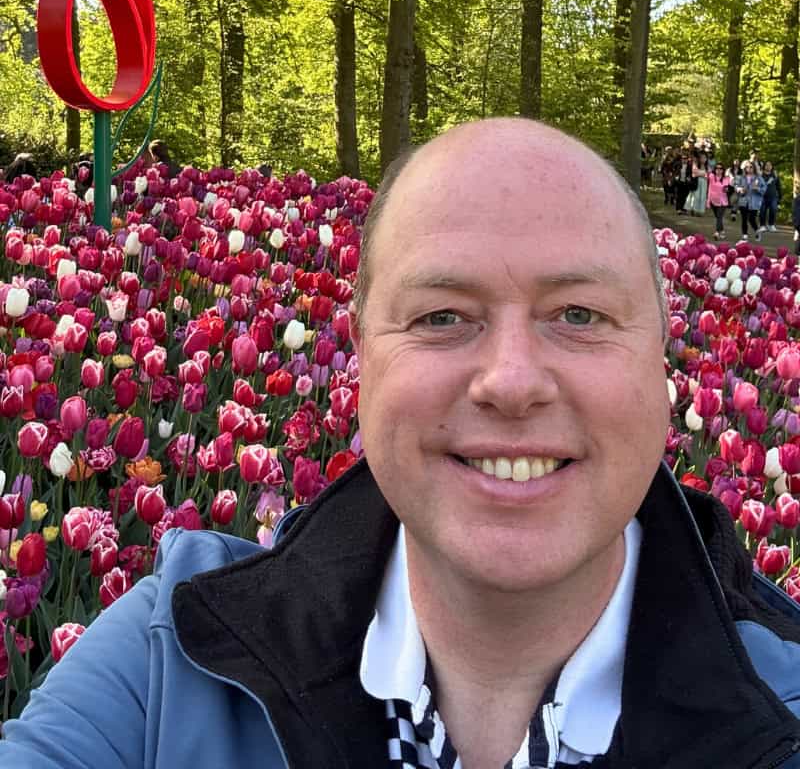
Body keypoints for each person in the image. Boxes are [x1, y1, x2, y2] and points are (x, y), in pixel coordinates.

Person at [3, 118, 800, 769]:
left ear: (661, 352)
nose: (511, 381)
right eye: (441, 317)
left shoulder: (784, 711)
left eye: (580, 315)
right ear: (361, 353)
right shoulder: (169, 662)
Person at [735, 160, 766, 241]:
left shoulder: (759, 178)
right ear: (745, 168)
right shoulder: (741, 177)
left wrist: (757, 188)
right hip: (743, 201)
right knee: (744, 218)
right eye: (747, 167)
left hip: (754, 202)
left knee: (751, 219)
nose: (749, 168)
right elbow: (736, 186)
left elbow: (764, 188)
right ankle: (745, 235)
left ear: (754, 168)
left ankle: (757, 231)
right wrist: (740, 189)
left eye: (751, 167)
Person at [707, 162, 732, 239]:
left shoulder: (726, 178)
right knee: (718, 218)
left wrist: (726, 189)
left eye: (720, 168)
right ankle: (722, 231)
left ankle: (717, 232)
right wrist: (708, 201)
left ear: (723, 170)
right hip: (713, 201)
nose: (718, 170)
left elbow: (727, 188)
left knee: (719, 217)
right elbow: (709, 188)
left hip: (722, 202)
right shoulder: (711, 176)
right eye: (717, 168)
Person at [760, 161, 783, 233]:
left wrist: (780, 196)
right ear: (764, 166)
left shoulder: (775, 175)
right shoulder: (761, 174)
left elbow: (778, 186)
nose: (768, 166)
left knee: (773, 210)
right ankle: (762, 225)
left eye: (770, 165)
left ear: (772, 166)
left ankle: (771, 225)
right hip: (762, 196)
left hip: (773, 196)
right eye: (767, 165)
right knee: (762, 211)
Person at [686, 149, 709, 216]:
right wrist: (703, 174)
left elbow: (708, 175)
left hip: (704, 183)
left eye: (705, 158)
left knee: (702, 197)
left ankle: (700, 211)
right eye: (702, 157)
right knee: (696, 196)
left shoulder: (707, 166)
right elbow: (694, 174)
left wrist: (702, 174)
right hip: (697, 182)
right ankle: (693, 209)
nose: (703, 159)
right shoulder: (695, 164)